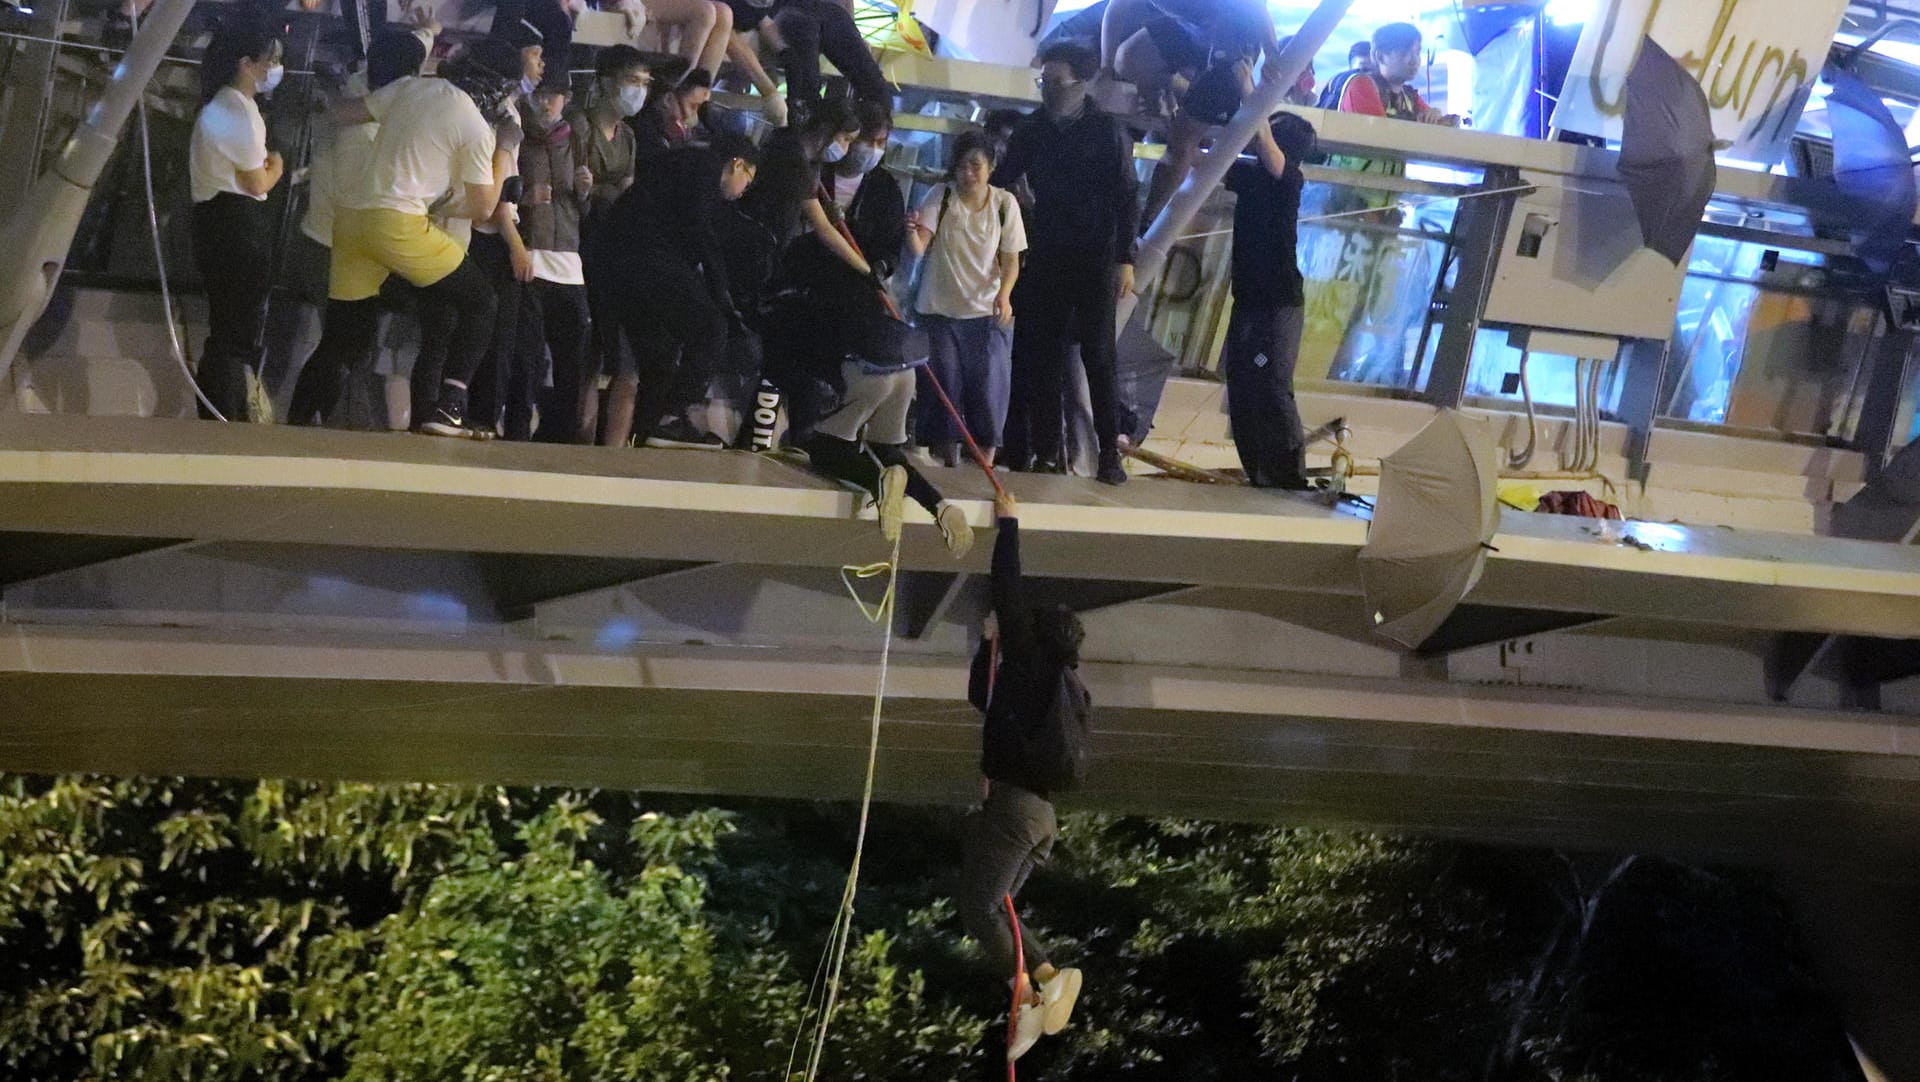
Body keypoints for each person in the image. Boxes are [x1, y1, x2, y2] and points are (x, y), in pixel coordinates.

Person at [316, 38, 519, 438]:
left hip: (352, 220)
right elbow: (483, 208)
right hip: (397, 224)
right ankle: (450, 406)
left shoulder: (411, 86)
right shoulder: (475, 126)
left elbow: (343, 112)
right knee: (481, 302)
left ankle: (297, 424)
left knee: (341, 337)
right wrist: (504, 150)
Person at [962, 489, 1087, 1063]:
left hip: (1014, 811)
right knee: (1000, 912)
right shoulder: (1064, 688)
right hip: (1038, 816)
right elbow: (982, 699)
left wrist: (1008, 523)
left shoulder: (1031, 662)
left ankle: (1033, 984)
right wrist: (987, 647)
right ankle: (1040, 985)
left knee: (979, 909)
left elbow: (1006, 586)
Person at [993, 41, 1137, 486]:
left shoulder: (1107, 131)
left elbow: (1128, 195)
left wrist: (1125, 259)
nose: (1049, 90)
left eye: (1057, 83)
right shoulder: (1033, 129)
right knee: (1044, 353)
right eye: (1044, 82)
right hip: (1047, 250)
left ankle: (1109, 452)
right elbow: (999, 179)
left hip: (1095, 253)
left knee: (1098, 352)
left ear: (1083, 83)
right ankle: (1047, 450)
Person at [286, 29, 429, 428]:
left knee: (347, 341)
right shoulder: (359, 132)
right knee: (346, 343)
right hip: (335, 250)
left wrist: (427, 33)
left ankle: (312, 420)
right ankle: (308, 420)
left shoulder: (359, 98)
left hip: (333, 245)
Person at [600, 135, 759, 449]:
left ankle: (643, 435)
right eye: (747, 180)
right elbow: (699, 230)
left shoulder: (683, 166)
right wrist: (719, 292)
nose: (743, 191)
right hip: (644, 257)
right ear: (736, 163)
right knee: (711, 328)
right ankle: (674, 416)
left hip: (625, 263)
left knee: (659, 359)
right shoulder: (704, 168)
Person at [907, 130, 1025, 467]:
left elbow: (1011, 260)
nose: (968, 174)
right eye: (961, 166)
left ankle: (985, 456)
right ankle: (950, 457)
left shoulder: (1004, 204)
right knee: (944, 382)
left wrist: (1004, 294)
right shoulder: (940, 196)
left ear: (991, 167)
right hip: (938, 310)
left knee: (988, 384)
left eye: (975, 166)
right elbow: (920, 247)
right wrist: (911, 232)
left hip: (985, 311)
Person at [187, 17, 285, 422]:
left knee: (227, 329)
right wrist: (278, 165)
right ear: (247, 63)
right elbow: (256, 179)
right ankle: (224, 413)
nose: (275, 68)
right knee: (235, 333)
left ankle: (216, 411)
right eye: (270, 59)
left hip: (219, 223)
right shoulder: (235, 109)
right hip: (235, 225)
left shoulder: (228, 106)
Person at [1222, 110, 1315, 489]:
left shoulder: (1288, 178)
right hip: (1247, 299)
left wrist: (1250, 90)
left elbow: (1264, 142)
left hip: (1277, 304)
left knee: (1272, 382)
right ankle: (1257, 469)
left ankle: (1289, 472)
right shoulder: (1251, 176)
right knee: (1241, 380)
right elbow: (1211, 162)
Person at [1139, 31, 1310, 225]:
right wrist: (1170, 127)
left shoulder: (1292, 179)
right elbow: (1195, 156)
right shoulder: (1252, 177)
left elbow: (1265, 140)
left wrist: (1246, 85)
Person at [572, 45, 651, 443]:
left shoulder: (629, 137)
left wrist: (610, 191)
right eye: (631, 82)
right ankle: (583, 441)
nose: (639, 91)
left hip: (617, 248)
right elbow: (584, 192)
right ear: (605, 83)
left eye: (644, 83)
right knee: (588, 355)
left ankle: (614, 450)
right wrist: (608, 191)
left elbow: (627, 190)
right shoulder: (580, 125)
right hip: (584, 246)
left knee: (624, 361)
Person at [510, 82, 593, 442]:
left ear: (566, 100)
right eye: (541, 95)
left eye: (553, 96)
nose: (546, 103)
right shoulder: (518, 133)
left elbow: (582, 207)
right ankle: (516, 428)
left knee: (571, 359)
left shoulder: (574, 138)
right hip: (532, 255)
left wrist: (585, 191)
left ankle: (562, 433)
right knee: (526, 356)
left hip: (569, 263)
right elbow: (499, 190)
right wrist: (525, 198)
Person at [724, 0, 892, 121]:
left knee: (878, 91)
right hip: (788, 9)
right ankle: (806, 121)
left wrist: (854, 34)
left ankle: (876, 125)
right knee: (805, 39)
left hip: (824, 10)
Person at [825, 101, 906, 283]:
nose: (874, 149)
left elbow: (892, 245)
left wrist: (880, 268)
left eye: (880, 143)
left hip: (858, 285)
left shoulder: (886, 188)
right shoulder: (818, 174)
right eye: (868, 140)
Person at [630, 62, 710, 160]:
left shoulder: (670, 138)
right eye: (693, 106)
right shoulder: (644, 136)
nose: (693, 116)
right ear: (668, 99)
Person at [1314, 38, 1372, 110]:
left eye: (1374, 70)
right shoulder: (1338, 84)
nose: (1370, 76)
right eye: (1365, 69)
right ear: (1351, 67)